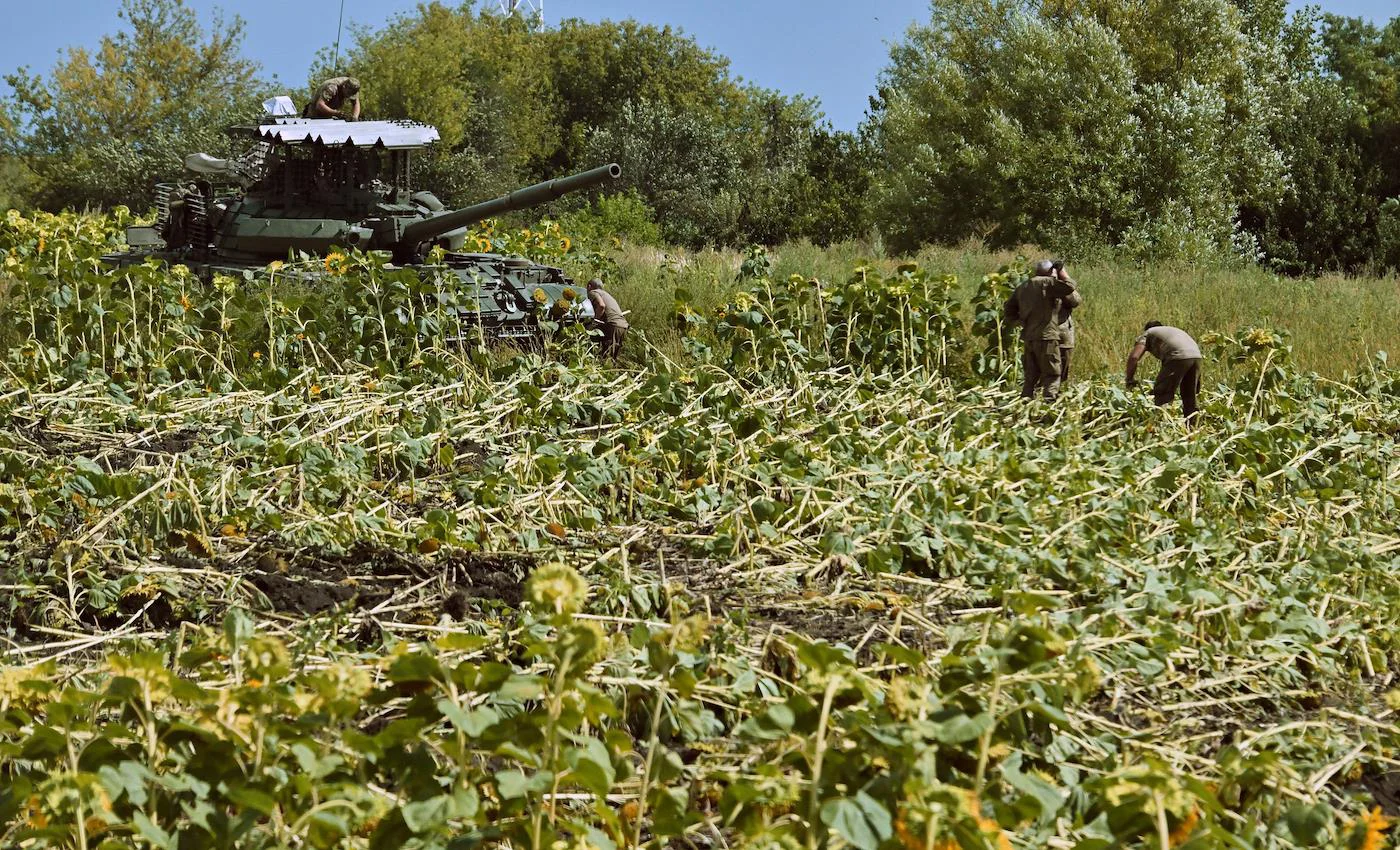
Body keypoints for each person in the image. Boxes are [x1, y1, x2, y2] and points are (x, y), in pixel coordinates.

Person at [1005, 259, 1082, 400]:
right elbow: (1071, 286)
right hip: (1049, 336)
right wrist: (1062, 273)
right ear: (1049, 272)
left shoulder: (1024, 286)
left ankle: (1026, 401)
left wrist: (1020, 322)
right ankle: (1048, 405)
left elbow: (1009, 309)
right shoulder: (1048, 284)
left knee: (1031, 375)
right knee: (1053, 374)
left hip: (1030, 337)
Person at [1125, 321, 1203, 422]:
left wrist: (1129, 378)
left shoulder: (1148, 333)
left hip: (1178, 356)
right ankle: (1192, 428)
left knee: (1162, 393)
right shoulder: (1172, 331)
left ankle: (1162, 425)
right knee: (1189, 396)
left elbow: (1134, 357)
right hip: (1197, 356)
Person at [586, 278, 629, 361]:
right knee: (612, 358)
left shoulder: (593, 292)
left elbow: (601, 306)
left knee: (605, 356)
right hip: (623, 326)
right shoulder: (606, 294)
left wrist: (595, 321)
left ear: (589, 286)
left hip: (613, 326)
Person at [1054, 263, 1078, 384]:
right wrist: (1065, 277)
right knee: (1060, 367)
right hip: (1061, 334)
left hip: (1040, 334)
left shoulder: (1033, 286)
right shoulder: (1061, 288)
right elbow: (1076, 300)